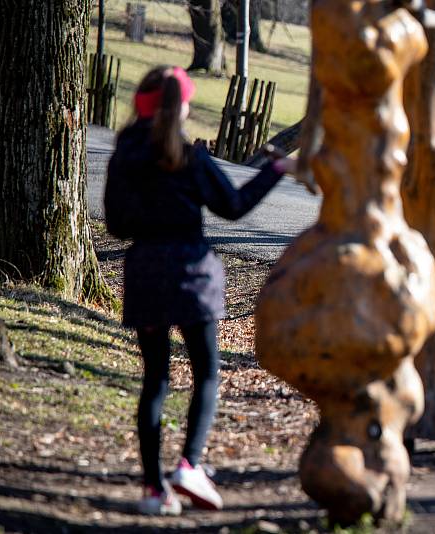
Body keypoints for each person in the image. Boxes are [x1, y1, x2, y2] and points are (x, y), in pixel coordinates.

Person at [104, 66, 295, 516]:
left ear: (141, 103)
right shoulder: (191, 157)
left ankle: (153, 490)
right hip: (193, 274)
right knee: (206, 372)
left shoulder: (123, 155)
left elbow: (115, 224)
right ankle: (190, 463)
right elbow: (234, 207)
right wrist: (276, 168)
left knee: (155, 380)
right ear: (182, 105)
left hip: (145, 273)